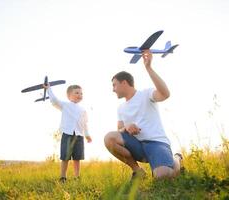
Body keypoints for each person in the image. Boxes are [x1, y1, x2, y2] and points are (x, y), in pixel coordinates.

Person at [104, 50, 182, 180]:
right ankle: (137, 171)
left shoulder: (146, 94)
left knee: (162, 176)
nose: (113, 89)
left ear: (124, 83)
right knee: (109, 138)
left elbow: (165, 94)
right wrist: (127, 127)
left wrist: (149, 68)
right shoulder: (121, 108)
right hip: (137, 146)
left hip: (157, 143)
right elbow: (119, 131)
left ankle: (177, 158)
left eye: (114, 85)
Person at [44, 83, 92, 183]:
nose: (80, 95)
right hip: (67, 134)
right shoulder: (65, 105)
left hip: (79, 136)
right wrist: (49, 89)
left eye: (81, 93)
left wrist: (87, 135)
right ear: (69, 96)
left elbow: (84, 123)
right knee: (65, 157)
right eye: (77, 93)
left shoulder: (83, 110)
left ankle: (77, 177)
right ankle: (63, 177)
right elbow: (54, 101)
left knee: (77, 158)